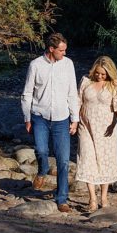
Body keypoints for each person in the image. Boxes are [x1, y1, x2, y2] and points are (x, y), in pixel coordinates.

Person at [21, 32, 79, 212]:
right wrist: (27, 117)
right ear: (51, 49)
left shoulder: (68, 64)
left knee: (63, 161)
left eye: (65, 49)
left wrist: (75, 118)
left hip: (62, 118)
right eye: (61, 50)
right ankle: (42, 170)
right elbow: (27, 93)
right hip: (40, 116)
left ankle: (62, 198)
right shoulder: (36, 65)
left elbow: (72, 92)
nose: (64, 53)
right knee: (41, 150)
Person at [76, 56, 117, 212]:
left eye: (103, 74)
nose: (99, 76)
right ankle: (92, 198)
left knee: (105, 161)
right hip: (85, 127)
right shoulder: (86, 81)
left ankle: (104, 197)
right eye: (98, 73)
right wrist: (73, 122)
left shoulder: (115, 85)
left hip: (106, 129)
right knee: (87, 159)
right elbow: (78, 101)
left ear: (109, 74)